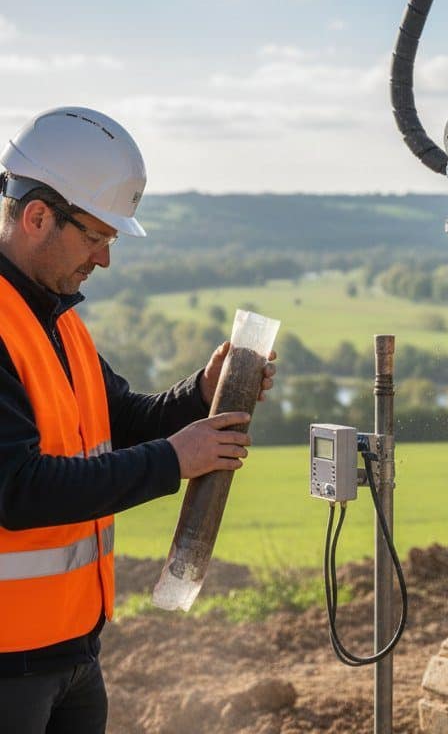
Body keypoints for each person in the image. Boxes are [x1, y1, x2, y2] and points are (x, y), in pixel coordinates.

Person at [0, 106, 277, 733]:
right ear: (38, 216)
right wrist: (177, 460)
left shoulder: (55, 319)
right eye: (96, 237)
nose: (103, 260)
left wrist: (200, 392)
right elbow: (17, 490)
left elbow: (120, 417)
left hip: (71, 651)